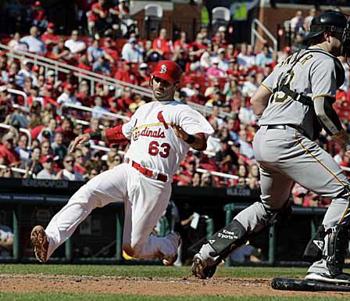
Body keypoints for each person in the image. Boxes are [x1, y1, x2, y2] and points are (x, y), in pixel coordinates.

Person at [192, 11, 350, 285]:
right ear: (327, 34)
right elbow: (323, 110)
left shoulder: (291, 59)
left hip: (264, 137)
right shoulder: (326, 61)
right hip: (288, 137)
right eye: (343, 34)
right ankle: (324, 266)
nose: (348, 40)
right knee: (349, 194)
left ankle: (209, 251)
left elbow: (257, 99)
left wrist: (274, 125)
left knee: (269, 206)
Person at [30, 60, 214, 265]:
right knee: (87, 193)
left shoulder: (182, 111)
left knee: (133, 248)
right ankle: (50, 241)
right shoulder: (144, 109)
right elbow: (121, 133)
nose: (160, 85)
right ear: (151, 79)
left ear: (175, 85)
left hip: (155, 182)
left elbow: (201, 142)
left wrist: (187, 138)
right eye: (157, 80)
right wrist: (92, 135)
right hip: (128, 170)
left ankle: (169, 244)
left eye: (166, 82)